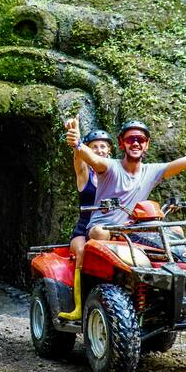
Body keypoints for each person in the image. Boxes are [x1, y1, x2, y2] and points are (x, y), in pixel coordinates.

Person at [60, 116, 186, 319]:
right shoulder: (109, 167)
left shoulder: (152, 171)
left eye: (140, 139)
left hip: (132, 229)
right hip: (104, 230)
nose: (135, 143)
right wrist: (77, 143)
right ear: (122, 144)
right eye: (130, 139)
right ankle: (84, 303)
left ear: (147, 144)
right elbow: (91, 159)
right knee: (99, 232)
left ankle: (176, 288)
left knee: (176, 230)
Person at [59, 128, 113, 319]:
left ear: (109, 150)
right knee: (82, 252)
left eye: (103, 146)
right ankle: (78, 306)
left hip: (110, 228)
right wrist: (77, 138)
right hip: (84, 228)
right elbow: (79, 161)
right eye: (94, 147)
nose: (99, 150)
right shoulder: (84, 174)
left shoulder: (114, 174)